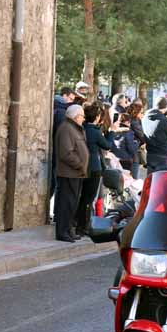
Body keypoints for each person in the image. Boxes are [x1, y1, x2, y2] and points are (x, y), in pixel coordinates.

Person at [75, 103, 115, 236]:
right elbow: (107, 145)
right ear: (97, 117)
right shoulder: (95, 132)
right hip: (93, 168)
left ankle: (77, 223)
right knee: (89, 199)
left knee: (81, 197)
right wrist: (112, 132)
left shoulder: (82, 128)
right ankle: (83, 226)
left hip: (81, 166)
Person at [54, 104, 89, 242]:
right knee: (66, 203)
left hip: (76, 173)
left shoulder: (73, 128)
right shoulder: (66, 129)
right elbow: (66, 153)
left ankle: (68, 230)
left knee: (72, 204)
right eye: (82, 116)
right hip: (69, 173)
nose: (83, 119)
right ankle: (63, 232)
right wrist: (80, 165)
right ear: (75, 116)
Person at [143, 98, 167, 172]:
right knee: (162, 180)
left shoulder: (145, 117)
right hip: (163, 155)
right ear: (166, 107)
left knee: (150, 179)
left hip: (150, 153)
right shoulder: (164, 120)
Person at [126, 101, 148, 178]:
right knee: (133, 177)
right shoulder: (134, 122)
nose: (143, 114)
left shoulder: (132, 120)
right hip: (133, 152)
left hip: (130, 151)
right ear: (136, 112)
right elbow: (142, 135)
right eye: (141, 112)